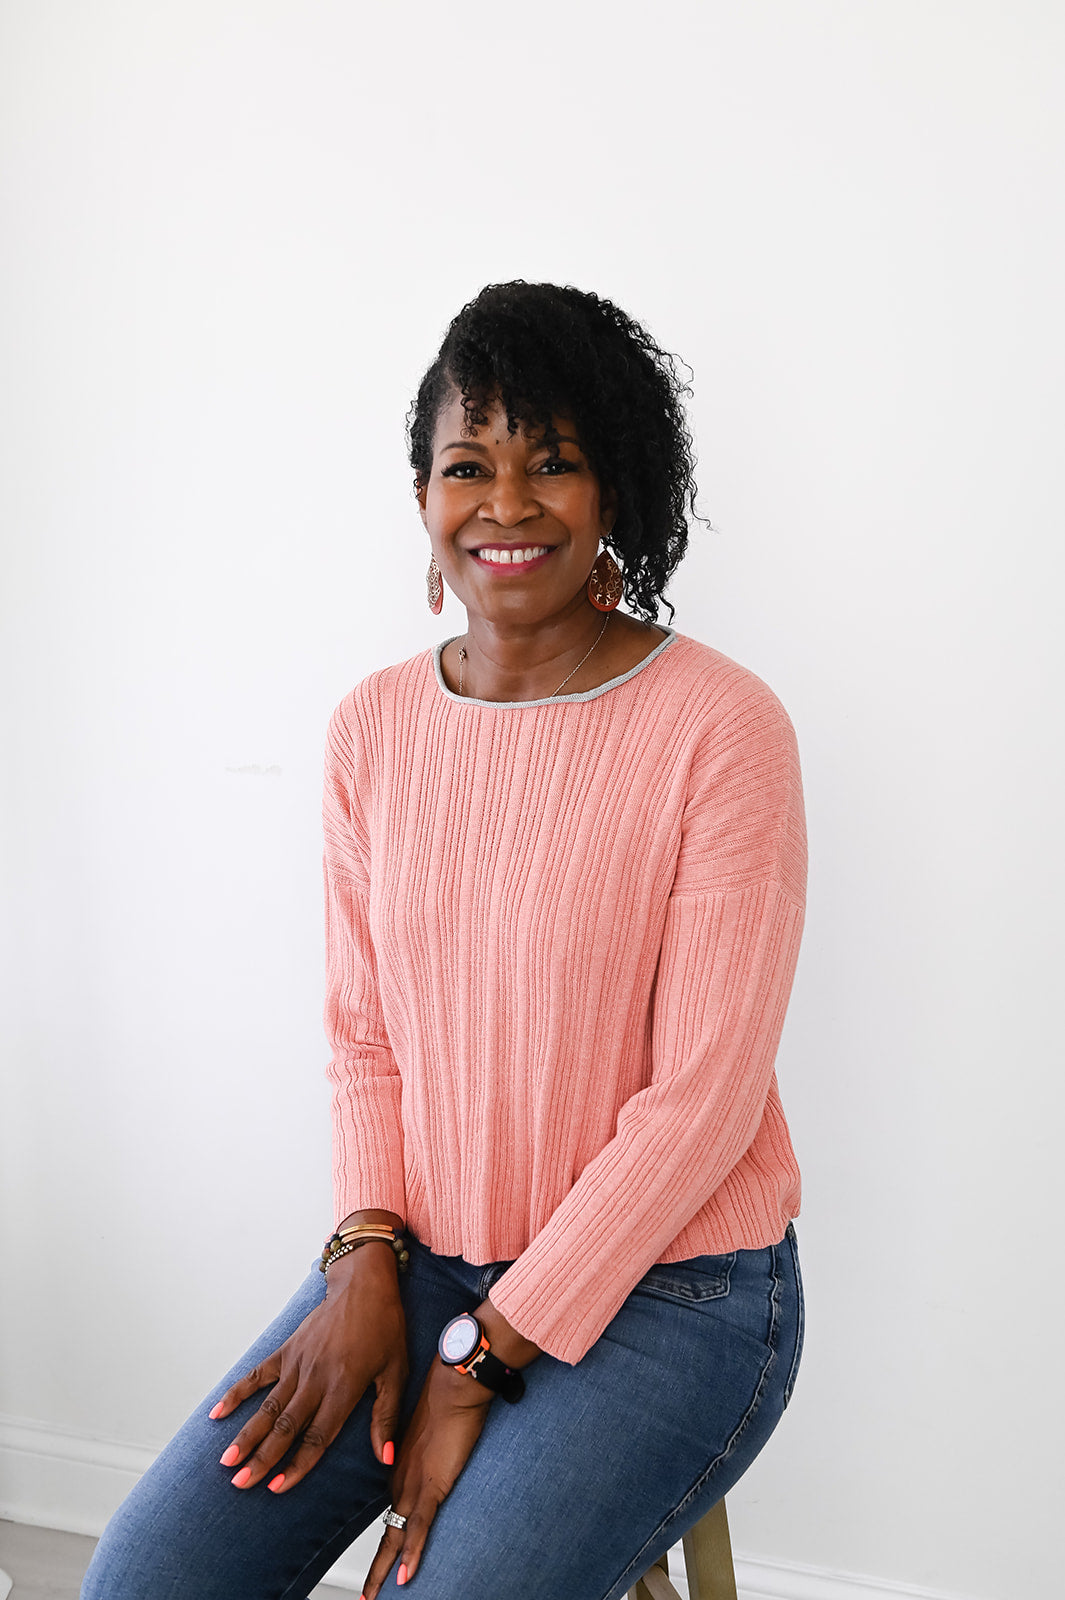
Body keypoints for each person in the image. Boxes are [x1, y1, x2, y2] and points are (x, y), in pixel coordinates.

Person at [82, 281, 807, 1600]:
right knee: (145, 1581)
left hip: (672, 1294)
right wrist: (364, 1254)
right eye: (468, 466)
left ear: (617, 489)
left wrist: (476, 1363)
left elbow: (701, 1104)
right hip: (420, 1265)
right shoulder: (372, 729)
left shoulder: (720, 728)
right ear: (423, 494)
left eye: (554, 463)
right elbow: (364, 1041)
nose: (506, 505)